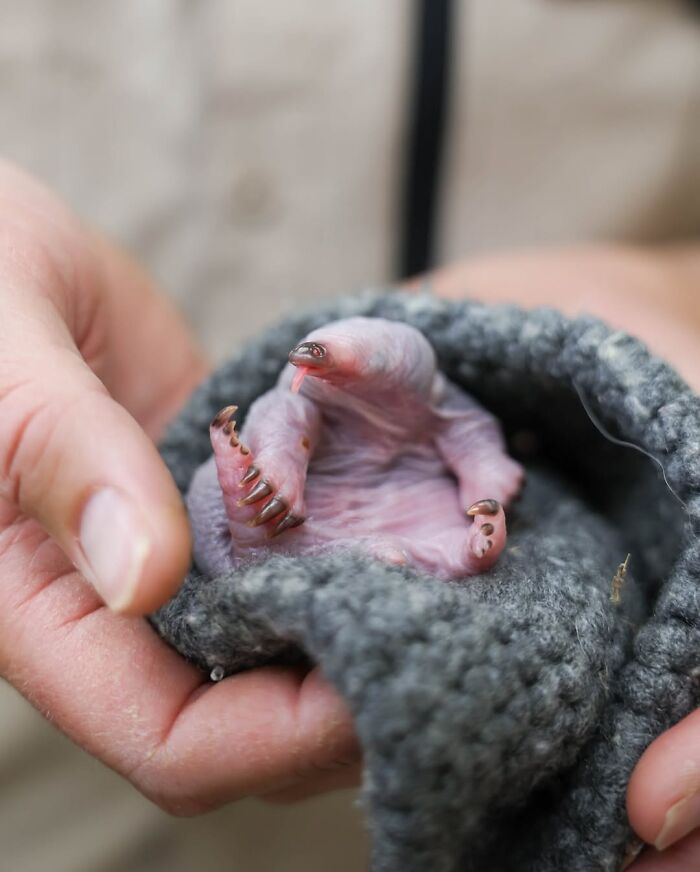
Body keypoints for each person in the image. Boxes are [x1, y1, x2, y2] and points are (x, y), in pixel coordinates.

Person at [0, 3, 698, 871]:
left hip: (404, 511)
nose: (322, 370)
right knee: (240, 498)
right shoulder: (297, 397)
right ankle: (279, 521)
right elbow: (291, 423)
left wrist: (674, 294)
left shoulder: (436, 401)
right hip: (49, 794)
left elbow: (473, 439)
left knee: (451, 544)